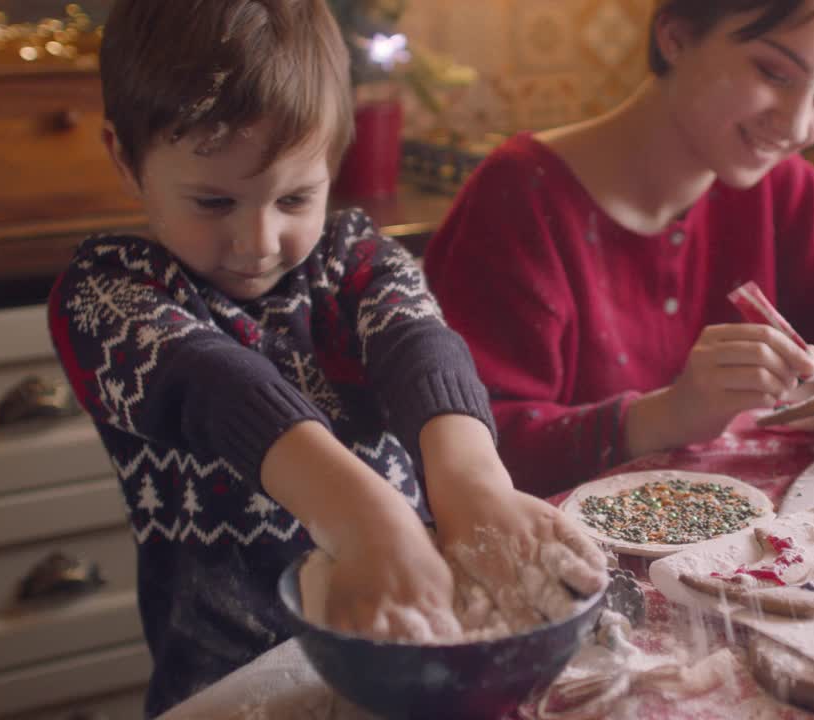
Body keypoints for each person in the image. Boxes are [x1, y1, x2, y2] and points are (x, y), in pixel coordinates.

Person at [47, 1, 605, 715]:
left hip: (409, 654)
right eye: (214, 202)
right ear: (125, 158)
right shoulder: (105, 295)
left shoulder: (355, 263)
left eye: (295, 197)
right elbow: (216, 384)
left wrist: (471, 478)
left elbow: (417, 344)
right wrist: (364, 517)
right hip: (226, 683)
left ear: (332, 160)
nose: (257, 240)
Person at [425, 0, 814, 498]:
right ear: (676, 37)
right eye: (772, 72)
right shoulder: (520, 197)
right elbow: (461, 448)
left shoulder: (777, 184)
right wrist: (663, 417)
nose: (796, 123)